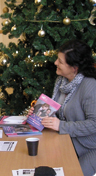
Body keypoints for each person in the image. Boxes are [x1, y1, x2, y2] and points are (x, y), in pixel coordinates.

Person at [28, 40, 96, 176]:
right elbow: (59, 113)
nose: (55, 63)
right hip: (65, 139)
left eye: (60, 61)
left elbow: (94, 124)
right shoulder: (62, 80)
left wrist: (61, 126)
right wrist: (40, 113)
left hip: (88, 147)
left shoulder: (90, 86)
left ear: (74, 68)